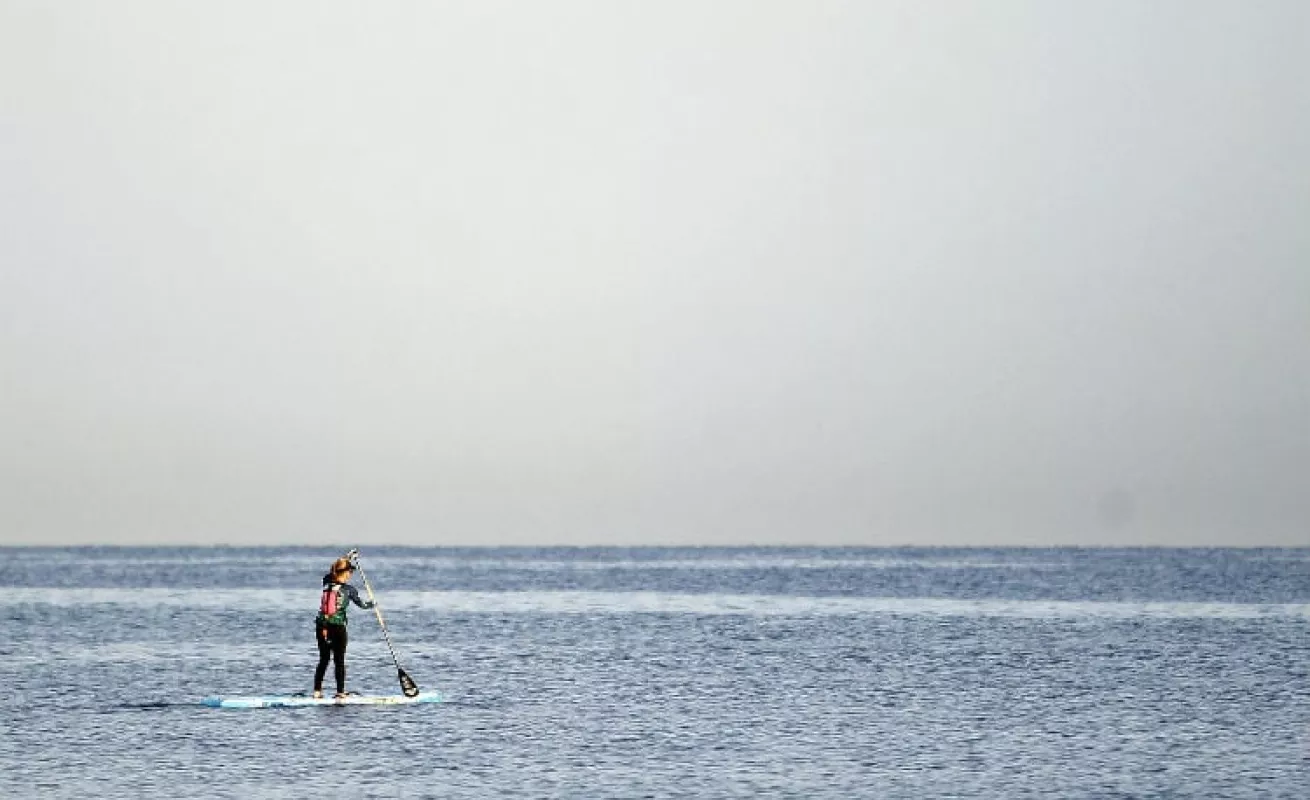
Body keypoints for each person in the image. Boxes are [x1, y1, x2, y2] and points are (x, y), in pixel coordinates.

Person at [313, 555, 374, 699]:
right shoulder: (349, 590)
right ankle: (340, 693)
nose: (350, 575)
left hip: (321, 626)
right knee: (339, 660)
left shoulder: (326, 583)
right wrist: (373, 604)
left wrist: (345, 559)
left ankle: (317, 692)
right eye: (349, 572)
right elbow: (363, 605)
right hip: (337, 628)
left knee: (324, 659)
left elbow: (329, 574)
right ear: (345, 572)